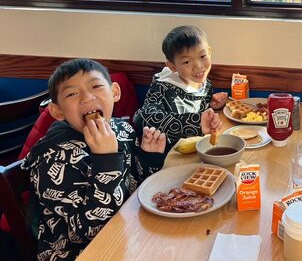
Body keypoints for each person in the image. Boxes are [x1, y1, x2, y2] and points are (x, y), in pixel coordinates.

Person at [22, 59, 166, 261]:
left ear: (114, 92)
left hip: (128, 233)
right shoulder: (53, 159)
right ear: (58, 111)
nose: (87, 97)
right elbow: (91, 231)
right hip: (80, 252)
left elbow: (135, 190)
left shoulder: (122, 130)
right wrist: (106, 160)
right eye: (72, 94)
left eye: (96, 86)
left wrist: (149, 158)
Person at [133, 26, 226, 151]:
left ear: (209, 51)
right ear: (172, 66)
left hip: (199, 148)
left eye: (203, 56)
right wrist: (196, 122)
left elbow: (200, 105)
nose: (198, 66)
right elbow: (143, 118)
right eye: (187, 62)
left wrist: (212, 103)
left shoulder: (204, 82)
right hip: (169, 155)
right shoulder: (162, 88)